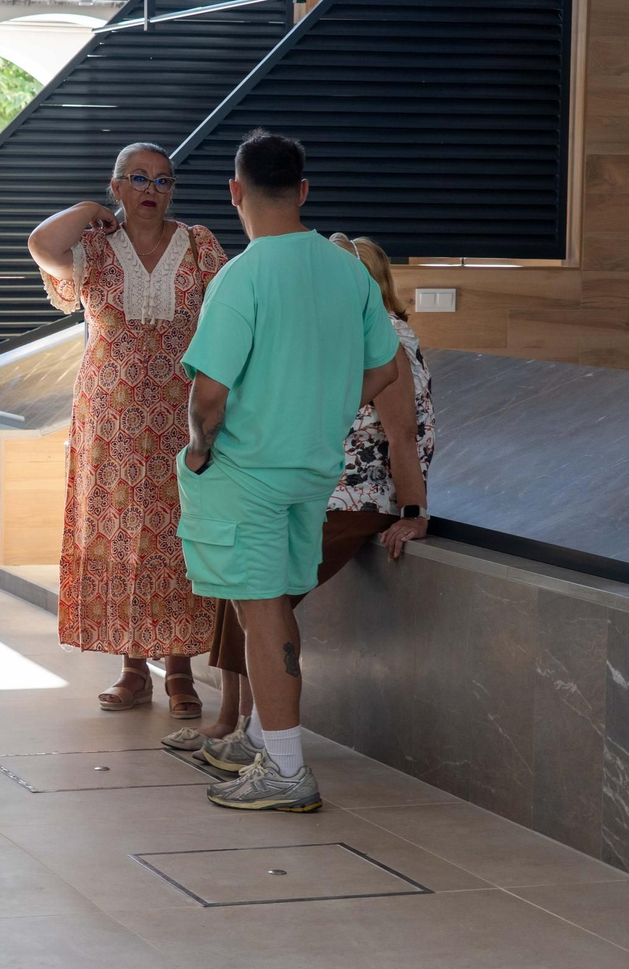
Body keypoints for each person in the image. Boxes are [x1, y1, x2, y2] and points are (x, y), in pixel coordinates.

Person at [178, 130, 399, 812]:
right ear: (303, 191)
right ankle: (276, 753)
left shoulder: (240, 276)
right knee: (271, 611)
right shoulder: (348, 271)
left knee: (263, 613)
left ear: (235, 192)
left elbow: (209, 392)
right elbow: (386, 368)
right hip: (312, 470)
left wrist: (197, 448)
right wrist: (323, 411)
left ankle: (286, 770)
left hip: (248, 470)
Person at [194, 231, 437, 774]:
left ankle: (267, 745)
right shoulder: (343, 335)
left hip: (357, 500)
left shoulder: (386, 339)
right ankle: (249, 728)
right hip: (315, 488)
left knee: (265, 591)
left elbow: (402, 436)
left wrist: (414, 514)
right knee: (248, 581)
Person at [28, 143, 228, 720]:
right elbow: (41, 245)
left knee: (178, 536)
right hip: (109, 420)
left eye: (163, 181)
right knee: (121, 537)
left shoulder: (199, 245)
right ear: (117, 187)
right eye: (137, 179)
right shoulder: (92, 248)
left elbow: (233, 310)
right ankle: (133, 669)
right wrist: (90, 206)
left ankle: (183, 671)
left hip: (181, 411)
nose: (151, 190)